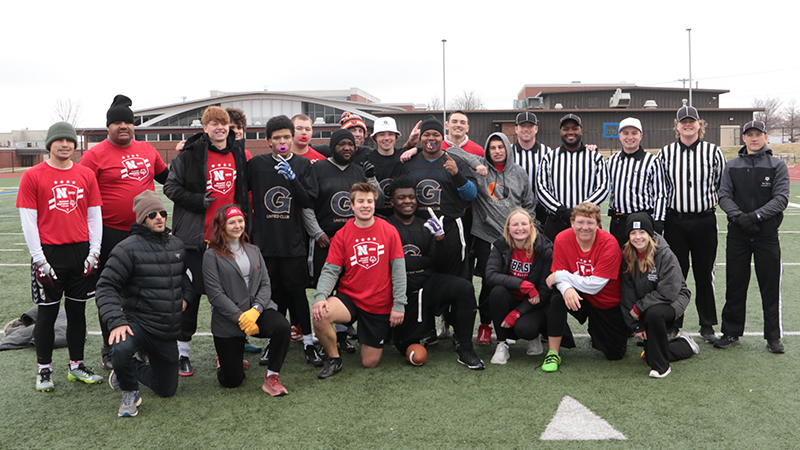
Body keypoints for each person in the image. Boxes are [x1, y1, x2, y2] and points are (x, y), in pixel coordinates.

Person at [79, 94, 169, 370]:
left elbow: (169, 179)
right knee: (112, 292)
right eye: (116, 122)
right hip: (111, 233)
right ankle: (110, 347)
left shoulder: (148, 150)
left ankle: (142, 343)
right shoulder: (94, 155)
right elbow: (80, 191)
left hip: (146, 233)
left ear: (134, 126)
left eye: (127, 123)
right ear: (107, 127)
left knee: (146, 291)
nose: (123, 127)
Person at [17, 121, 104, 392]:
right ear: (50, 145)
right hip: (49, 253)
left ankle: (76, 366)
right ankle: (44, 369)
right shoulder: (32, 176)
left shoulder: (86, 175)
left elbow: (94, 215)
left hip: (80, 252)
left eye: (70, 141)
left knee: (77, 313)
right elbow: (29, 222)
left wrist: (94, 251)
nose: (65, 145)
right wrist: (40, 259)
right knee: (47, 314)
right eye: (60, 141)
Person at [163, 106, 249, 376]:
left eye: (223, 123)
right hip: (196, 239)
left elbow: (242, 192)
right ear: (205, 127)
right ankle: (182, 353)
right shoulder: (189, 154)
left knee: (227, 299)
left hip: (228, 239)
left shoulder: (238, 153)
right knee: (190, 297)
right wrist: (197, 201)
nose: (220, 128)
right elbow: (171, 187)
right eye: (214, 123)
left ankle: (225, 352)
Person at [96, 190, 187, 417]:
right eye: (152, 214)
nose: (159, 218)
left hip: (165, 329)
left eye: (162, 213)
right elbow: (106, 286)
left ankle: (124, 371)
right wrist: (116, 321)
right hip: (139, 323)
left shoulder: (177, 244)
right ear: (142, 219)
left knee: (166, 390)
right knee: (121, 347)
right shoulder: (126, 248)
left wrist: (187, 297)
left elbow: (188, 279)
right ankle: (130, 391)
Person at [385, 176, 484, 369]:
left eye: (411, 197)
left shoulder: (426, 224)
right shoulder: (385, 226)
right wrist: (420, 261)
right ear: (392, 202)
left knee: (464, 288)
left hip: (427, 283)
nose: (407, 201)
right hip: (400, 291)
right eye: (401, 198)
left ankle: (465, 348)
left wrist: (440, 239)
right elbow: (388, 264)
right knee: (406, 344)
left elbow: (439, 261)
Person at [247, 115, 322, 366]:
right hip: (265, 243)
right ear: (268, 141)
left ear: (292, 138)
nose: (282, 141)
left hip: (293, 243)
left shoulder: (302, 165)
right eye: (277, 137)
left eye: (286, 137)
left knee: (298, 294)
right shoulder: (257, 164)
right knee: (273, 296)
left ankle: (309, 343)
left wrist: (292, 178)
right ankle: (274, 342)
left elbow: (307, 200)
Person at [311, 183, 406, 379]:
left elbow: (398, 271)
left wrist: (399, 304)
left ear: (375, 204)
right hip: (350, 297)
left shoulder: (389, 231)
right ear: (352, 205)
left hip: (379, 303)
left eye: (369, 201)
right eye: (360, 201)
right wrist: (321, 297)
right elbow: (331, 271)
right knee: (320, 315)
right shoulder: (342, 234)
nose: (365, 205)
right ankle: (334, 358)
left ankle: (368, 336)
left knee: (369, 363)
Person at [715, 120, 789, 353]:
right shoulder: (732, 165)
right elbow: (724, 195)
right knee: (735, 283)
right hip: (738, 234)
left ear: (765, 137)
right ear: (744, 138)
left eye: (758, 134)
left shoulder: (777, 165)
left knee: (769, 286)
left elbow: (781, 199)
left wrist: (755, 217)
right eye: (750, 135)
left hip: (766, 234)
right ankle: (731, 332)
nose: (754, 138)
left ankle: (773, 337)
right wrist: (739, 217)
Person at [203, 205, 292, 395]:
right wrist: (241, 318)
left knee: (282, 327)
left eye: (240, 221)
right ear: (222, 226)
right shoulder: (211, 255)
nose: (237, 226)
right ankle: (226, 360)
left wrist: (256, 310)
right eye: (232, 222)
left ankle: (272, 377)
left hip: (257, 312)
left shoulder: (254, 250)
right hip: (229, 319)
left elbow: (266, 284)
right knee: (232, 381)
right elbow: (215, 295)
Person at [657, 106, 726, 343]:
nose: (688, 125)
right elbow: (663, 188)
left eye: (692, 121)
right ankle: (674, 322)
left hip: (704, 220)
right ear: (676, 126)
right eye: (683, 122)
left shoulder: (713, 152)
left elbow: (721, 185)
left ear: (700, 124)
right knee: (676, 274)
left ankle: (707, 324)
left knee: (704, 273)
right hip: (676, 220)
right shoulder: (665, 154)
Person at [542, 202, 628, 372]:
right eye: (580, 222)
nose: (585, 227)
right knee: (557, 297)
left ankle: (598, 331)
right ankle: (553, 352)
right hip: (578, 295)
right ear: (572, 222)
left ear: (598, 224)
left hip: (605, 301)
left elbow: (595, 285)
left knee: (614, 353)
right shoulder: (562, 238)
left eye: (590, 223)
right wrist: (566, 288)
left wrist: (561, 276)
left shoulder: (609, 243)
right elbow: (560, 273)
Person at [393, 115, 477, 280]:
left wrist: (457, 174)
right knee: (422, 275)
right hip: (419, 228)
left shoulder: (455, 161)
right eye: (426, 134)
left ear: (442, 137)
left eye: (436, 134)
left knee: (452, 276)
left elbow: (471, 194)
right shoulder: (410, 161)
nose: (431, 138)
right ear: (421, 137)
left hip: (449, 226)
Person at [471, 132, 537, 344]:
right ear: (487, 151)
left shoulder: (518, 172)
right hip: (486, 236)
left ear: (508, 148)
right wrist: (476, 163)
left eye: (501, 147)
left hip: (515, 239)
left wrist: (524, 229)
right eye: (493, 148)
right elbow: (453, 152)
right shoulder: (480, 170)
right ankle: (485, 325)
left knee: (517, 280)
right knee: (490, 282)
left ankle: (517, 321)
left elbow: (529, 203)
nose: (497, 151)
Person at [620, 213, 698, 378]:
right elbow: (627, 292)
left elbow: (669, 291)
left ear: (650, 234)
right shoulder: (627, 254)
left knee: (654, 312)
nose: (638, 237)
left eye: (642, 232)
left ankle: (661, 367)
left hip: (674, 298)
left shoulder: (664, 253)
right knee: (650, 352)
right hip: (648, 301)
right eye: (633, 233)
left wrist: (639, 308)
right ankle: (685, 344)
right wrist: (637, 326)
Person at [485, 209, 564, 364]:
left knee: (525, 329)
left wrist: (517, 312)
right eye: (515, 224)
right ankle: (502, 344)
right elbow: (490, 275)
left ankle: (534, 336)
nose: (519, 228)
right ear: (508, 228)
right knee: (497, 292)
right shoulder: (501, 245)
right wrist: (522, 284)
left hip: (534, 304)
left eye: (524, 224)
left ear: (531, 226)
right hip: (510, 298)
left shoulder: (544, 248)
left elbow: (544, 291)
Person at [537, 114, 609, 241]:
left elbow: (603, 187)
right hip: (557, 220)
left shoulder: (595, 158)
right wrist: (560, 210)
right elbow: (541, 188)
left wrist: (582, 210)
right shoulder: (549, 158)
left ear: (581, 130)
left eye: (574, 128)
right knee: (556, 258)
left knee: (589, 258)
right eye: (566, 129)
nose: (570, 132)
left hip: (588, 220)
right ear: (560, 131)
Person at [606, 117, 668, 247]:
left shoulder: (652, 161)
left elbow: (660, 194)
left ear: (641, 136)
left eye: (634, 133)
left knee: (643, 263)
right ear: (620, 136)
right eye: (625, 133)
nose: (630, 137)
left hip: (642, 220)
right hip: (619, 220)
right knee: (619, 261)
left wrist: (658, 222)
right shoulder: (611, 161)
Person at [511, 112, 551, 221]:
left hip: (542, 208)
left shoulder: (547, 152)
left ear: (536, 129)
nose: (526, 129)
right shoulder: (508, 152)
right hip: (515, 207)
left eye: (530, 126)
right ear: (516, 129)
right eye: (523, 126)